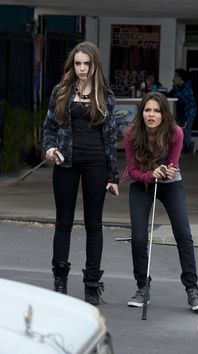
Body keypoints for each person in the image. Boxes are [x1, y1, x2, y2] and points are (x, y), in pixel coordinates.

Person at [42, 41, 119, 306]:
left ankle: (91, 285)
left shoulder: (105, 95)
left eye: (87, 63)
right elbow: (49, 127)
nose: (82, 68)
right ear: (72, 65)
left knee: (93, 224)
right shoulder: (61, 92)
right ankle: (60, 280)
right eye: (78, 63)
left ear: (95, 64)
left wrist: (113, 176)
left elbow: (111, 138)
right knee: (63, 223)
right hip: (66, 164)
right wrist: (50, 148)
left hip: (96, 165)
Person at [123, 92, 198, 312]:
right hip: (142, 182)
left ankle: (192, 289)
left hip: (170, 183)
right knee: (139, 237)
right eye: (147, 110)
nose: (151, 115)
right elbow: (132, 170)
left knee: (183, 233)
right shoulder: (132, 133)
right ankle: (143, 286)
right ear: (142, 112)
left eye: (156, 111)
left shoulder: (175, 132)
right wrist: (151, 175)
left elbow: (173, 165)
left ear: (164, 114)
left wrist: (164, 172)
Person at [168, 68, 197, 154]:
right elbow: (170, 94)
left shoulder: (187, 87)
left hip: (189, 112)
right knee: (180, 129)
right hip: (181, 112)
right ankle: (187, 145)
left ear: (181, 78)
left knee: (186, 129)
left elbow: (182, 97)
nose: (174, 78)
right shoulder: (177, 87)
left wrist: (175, 87)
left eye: (176, 76)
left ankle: (188, 147)